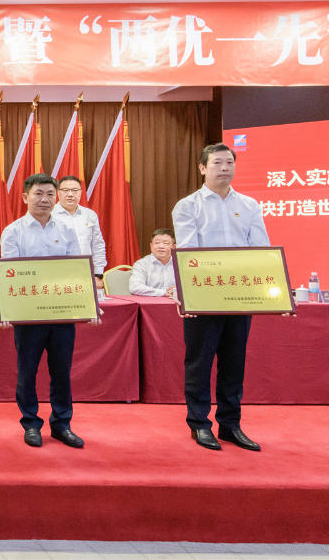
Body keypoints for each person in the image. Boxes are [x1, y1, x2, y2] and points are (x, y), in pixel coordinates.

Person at [172, 144, 270, 453]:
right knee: (199, 363)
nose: (224, 167)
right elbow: (188, 253)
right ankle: (199, 424)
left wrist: (271, 293)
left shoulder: (250, 205)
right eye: (217, 162)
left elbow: (260, 249)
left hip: (239, 296)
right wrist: (187, 295)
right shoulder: (188, 206)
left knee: (234, 363)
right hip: (204, 295)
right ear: (203, 168)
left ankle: (230, 424)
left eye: (229, 162)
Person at [0, 173, 99, 449]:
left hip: (61, 314)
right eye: (38, 193)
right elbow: (9, 275)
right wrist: (7, 309)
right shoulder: (13, 232)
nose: (45, 199)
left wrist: (89, 304)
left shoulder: (66, 231)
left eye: (50, 194)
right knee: (27, 372)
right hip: (28, 317)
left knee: (62, 372)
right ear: (25, 197)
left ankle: (62, 424)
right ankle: (31, 423)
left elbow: (77, 272)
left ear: (56, 198)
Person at [51, 175, 107, 289]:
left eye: (74, 190)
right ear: (58, 193)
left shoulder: (89, 215)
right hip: (55, 274)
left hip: (84, 273)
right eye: (65, 190)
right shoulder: (48, 215)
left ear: (80, 193)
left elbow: (97, 245)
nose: (70, 194)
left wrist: (98, 274)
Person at [128, 229, 177, 298]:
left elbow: (190, 286)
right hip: (150, 303)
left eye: (166, 243)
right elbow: (134, 287)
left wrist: (178, 290)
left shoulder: (180, 263)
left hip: (175, 302)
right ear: (151, 246)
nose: (161, 246)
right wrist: (163, 293)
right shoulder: (142, 264)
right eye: (157, 243)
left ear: (174, 247)